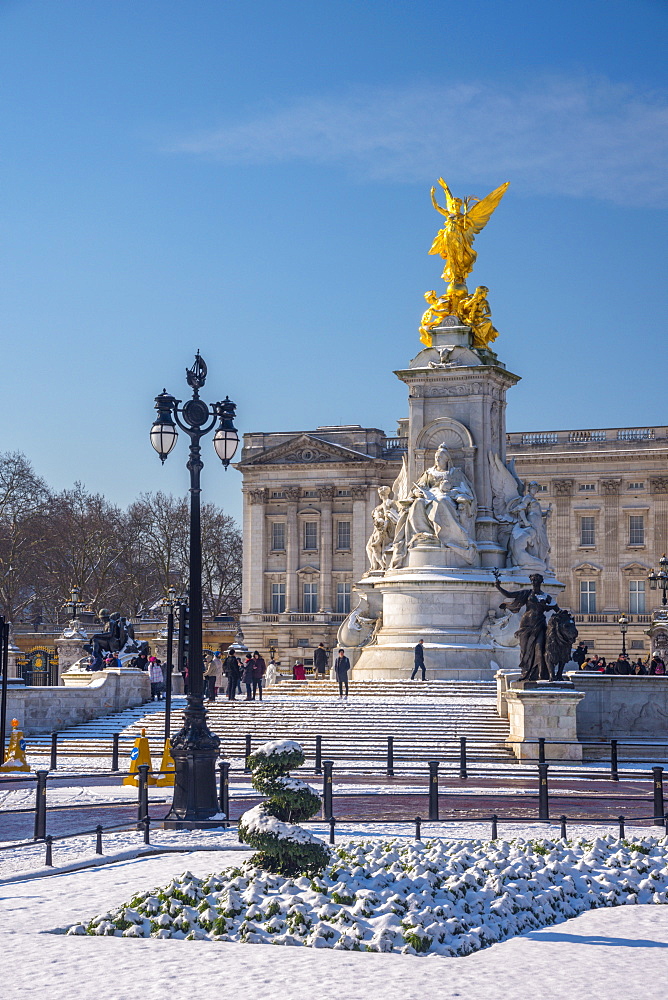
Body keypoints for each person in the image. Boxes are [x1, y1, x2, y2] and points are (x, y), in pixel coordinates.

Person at [493, 570, 558, 682]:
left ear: (541, 582)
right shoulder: (527, 593)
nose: (534, 583)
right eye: (533, 581)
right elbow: (510, 595)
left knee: (539, 649)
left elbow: (557, 609)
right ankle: (526, 673)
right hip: (526, 624)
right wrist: (498, 587)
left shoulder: (546, 596)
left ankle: (541, 674)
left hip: (540, 624)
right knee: (524, 649)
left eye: (536, 581)